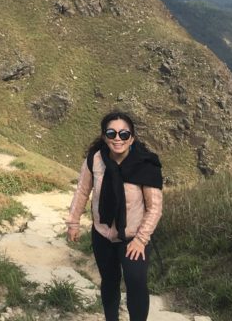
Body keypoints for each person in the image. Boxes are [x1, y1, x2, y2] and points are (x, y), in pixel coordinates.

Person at [65, 111, 163, 321]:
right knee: (109, 281)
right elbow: (82, 191)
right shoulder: (95, 160)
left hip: (133, 238)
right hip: (102, 235)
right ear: (104, 136)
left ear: (132, 138)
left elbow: (154, 208)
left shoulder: (145, 165)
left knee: (136, 282)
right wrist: (73, 222)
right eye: (112, 133)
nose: (117, 138)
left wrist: (140, 240)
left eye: (124, 134)